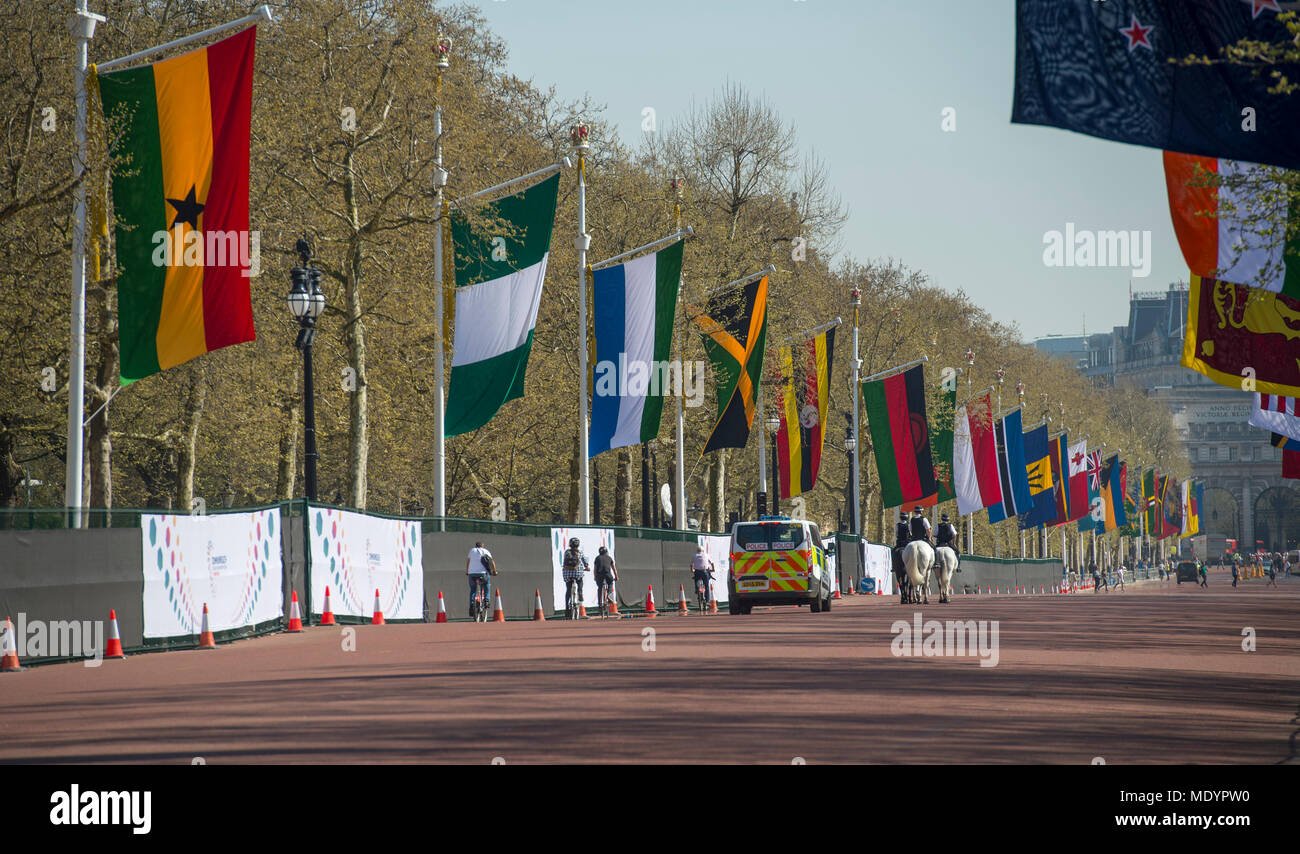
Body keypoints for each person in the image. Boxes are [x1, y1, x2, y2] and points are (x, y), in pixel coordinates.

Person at [561, 537, 589, 617]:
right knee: (580, 581)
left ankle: (567, 608)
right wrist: (587, 567)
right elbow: (585, 561)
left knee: (568, 590)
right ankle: (580, 593)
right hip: (577, 573)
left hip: (567, 574)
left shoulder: (566, 552)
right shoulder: (580, 552)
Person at [466, 541, 494, 611]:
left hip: (472, 574)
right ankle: (486, 600)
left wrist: (467, 571)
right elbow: (492, 561)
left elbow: (468, 561)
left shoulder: (472, 551)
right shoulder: (486, 551)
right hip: (483, 573)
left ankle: (472, 605)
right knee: (486, 584)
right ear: (483, 546)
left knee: (473, 589)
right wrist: (494, 571)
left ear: (476, 546)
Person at [593, 546, 617, 613]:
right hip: (607, 574)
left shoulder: (597, 558)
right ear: (606, 552)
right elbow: (613, 568)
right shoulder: (609, 558)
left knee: (600, 588)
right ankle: (609, 595)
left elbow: (595, 569)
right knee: (610, 583)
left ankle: (600, 604)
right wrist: (616, 576)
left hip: (599, 575)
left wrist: (595, 577)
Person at [893, 518, 911, 600]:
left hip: (899, 544)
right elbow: (910, 533)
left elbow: (896, 535)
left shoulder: (898, 525)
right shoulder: (909, 525)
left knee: (893, 552)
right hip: (907, 544)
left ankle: (894, 566)